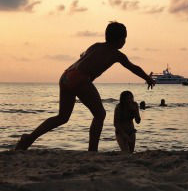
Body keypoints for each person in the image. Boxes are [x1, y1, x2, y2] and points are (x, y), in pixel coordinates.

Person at [15, 22, 155, 152]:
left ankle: (29, 138)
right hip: (80, 79)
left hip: (66, 76)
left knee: (62, 117)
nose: (125, 41)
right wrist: (147, 78)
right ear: (120, 40)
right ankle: (92, 151)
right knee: (100, 114)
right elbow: (133, 68)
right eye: (124, 38)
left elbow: (83, 56)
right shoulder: (116, 54)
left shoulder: (96, 46)